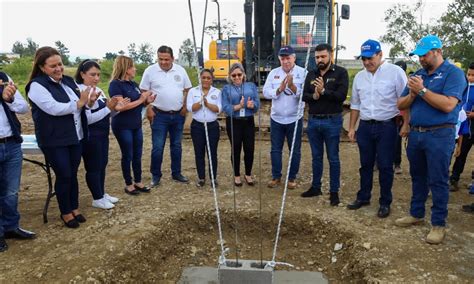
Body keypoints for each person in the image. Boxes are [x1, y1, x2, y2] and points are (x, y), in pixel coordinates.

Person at [396, 35, 468, 244]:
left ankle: (438, 224)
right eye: (418, 55)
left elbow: (448, 105)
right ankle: (416, 214)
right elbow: (401, 104)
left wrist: (423, 91)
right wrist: (412, 94)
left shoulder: (453, 74)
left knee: (438, 179)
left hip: (440, 134)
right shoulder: (418, 75)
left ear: (437, 51)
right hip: (416, 133)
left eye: (424, 55)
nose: (420, 59)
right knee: (418, 177)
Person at [26, 46, 97, 228]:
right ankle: (65, 211)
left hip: (75, 136)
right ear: (42, 67)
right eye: (52, 66)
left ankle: (74, 207)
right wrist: (80, 102)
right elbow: (54, 108)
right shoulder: (37, 86)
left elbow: (81, 106)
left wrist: (88, 102)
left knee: (72, 174)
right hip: (54, 139)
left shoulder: (67, 81)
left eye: (60, 64)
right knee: (64, 174)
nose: (58, 69)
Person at [347, 39, 407, 218]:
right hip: (365, 126)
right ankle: (363, 196)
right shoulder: (359, 77)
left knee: (385, 165)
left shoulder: (395, 73)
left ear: (380, 54)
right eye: (363, 59)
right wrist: (352, 127)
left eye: (370, 58)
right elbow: (355, 104)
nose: (366, 62)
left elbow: (405, 101)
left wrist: (406, 123)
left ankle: (385, 202)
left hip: (387, 126)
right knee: (365, 164)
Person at [301, 44, 349, 205]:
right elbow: (304, 96)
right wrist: (314, 96)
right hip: (314, 120)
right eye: (317, 57)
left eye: (323, 56)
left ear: (330, 56)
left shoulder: (340, 73)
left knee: (333, 157)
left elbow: (340, 96)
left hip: (332, 121)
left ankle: (334, 192)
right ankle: (316, 187)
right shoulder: (311, 74)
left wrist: (323, 92)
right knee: (316, 156)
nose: (320, 60)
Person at [75, 60, 126, 209]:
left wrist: (116, 109)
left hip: (103, 133)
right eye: (92, 74)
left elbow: (106, 113)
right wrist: (108, 109)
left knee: (102, 164)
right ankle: (96, 197)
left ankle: (102, 193)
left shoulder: (99, 90)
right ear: (82, 74)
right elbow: (88, 118)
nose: (96, 78)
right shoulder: (81, 91)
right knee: (94, 166)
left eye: (98, 74)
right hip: (91, 135)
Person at [141, 46, 192, 187]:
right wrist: (148, 108)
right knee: (158, 147)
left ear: (172, 58)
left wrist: (184, 107)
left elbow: (188, 89)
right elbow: (144, 91)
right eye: (160, 59)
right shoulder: (150, 71)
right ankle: (155, 175)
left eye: (166, 59)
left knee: (176, 146)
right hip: (158, 115)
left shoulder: (180, 70)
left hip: (177, 115)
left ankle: (176, 173)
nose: (163, 62)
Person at [0, 72, 35, 252]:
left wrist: (9, 98)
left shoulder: (3, 77)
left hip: (11, 142)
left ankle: (10, 227)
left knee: (11, 191)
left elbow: (23, 108)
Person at [109, 56, 154, 195]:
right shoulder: (115, 85)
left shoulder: (133, 84)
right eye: (132, 67)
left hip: (136, 124)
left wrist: (147, 101)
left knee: (137, 154)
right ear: (126, 68)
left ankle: (138, 181)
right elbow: (121, 106)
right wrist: (141, 99)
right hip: (122, 125)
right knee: (127, 154)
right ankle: (128, 184)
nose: (135, 69)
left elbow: (137, 104)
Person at [263, 45, 306, 189]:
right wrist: (279, 89)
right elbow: (266, 92)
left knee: (294, 149)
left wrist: (293, 86)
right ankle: (276, 176)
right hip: (277, 119)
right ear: (279, 59)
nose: (286, 61)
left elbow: (305, 95)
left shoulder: (303, 72)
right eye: (283, 59)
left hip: (295, 118)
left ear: (294, 58)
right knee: (275, 149)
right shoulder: (273, 73)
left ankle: (292, 177)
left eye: (288, 58)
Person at [221, 63, 260, 186]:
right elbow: (225, 107)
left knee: (249, 149)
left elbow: (257, 103)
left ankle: (248, 174)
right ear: (230, 76)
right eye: (234, 75)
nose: (237, 77)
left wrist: (252, 105)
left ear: (243, 75)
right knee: (236, 148)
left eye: (239, 74)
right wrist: (239, 106)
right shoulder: (226, 89)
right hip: (234, 122)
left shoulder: (251, 86)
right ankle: (237, 175)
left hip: (248, 121)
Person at [186, 69, 221, 187]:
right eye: (204, 77)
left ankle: (213, 178)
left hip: (212, 126)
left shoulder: (217, 92)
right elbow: (191, 108)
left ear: (212, 79)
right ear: (200, 78)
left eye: (208, 78)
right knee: (199, 152)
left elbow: (218, 109)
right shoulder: (192, 91)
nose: (206, 80)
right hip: (197, 126)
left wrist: (207, 104)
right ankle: (201, 178)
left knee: (212, 153)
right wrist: (201, 102)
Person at [449, 62, 474, 193]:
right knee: (461, 154)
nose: (470, 78)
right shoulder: (463, 87)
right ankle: (454, 179)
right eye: (468, 74)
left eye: (473, 75)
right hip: (465, 129)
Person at [393, 60, 408, 174]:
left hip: (400, 115)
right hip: (389, 115)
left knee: (397, 140)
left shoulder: (406, 82)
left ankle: (397, 163)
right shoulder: (389, 80)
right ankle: (377, 162)